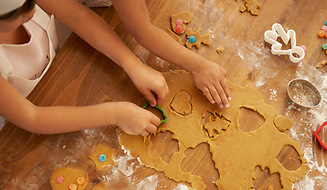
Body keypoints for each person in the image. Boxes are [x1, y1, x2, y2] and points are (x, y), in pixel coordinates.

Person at [0, 0, 231, 136]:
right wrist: (115, 113)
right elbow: (32, 117)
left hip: (58, 71)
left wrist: (133, 65)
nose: (31, 12)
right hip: (22, 116)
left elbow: (78, 16)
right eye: (15, 14)